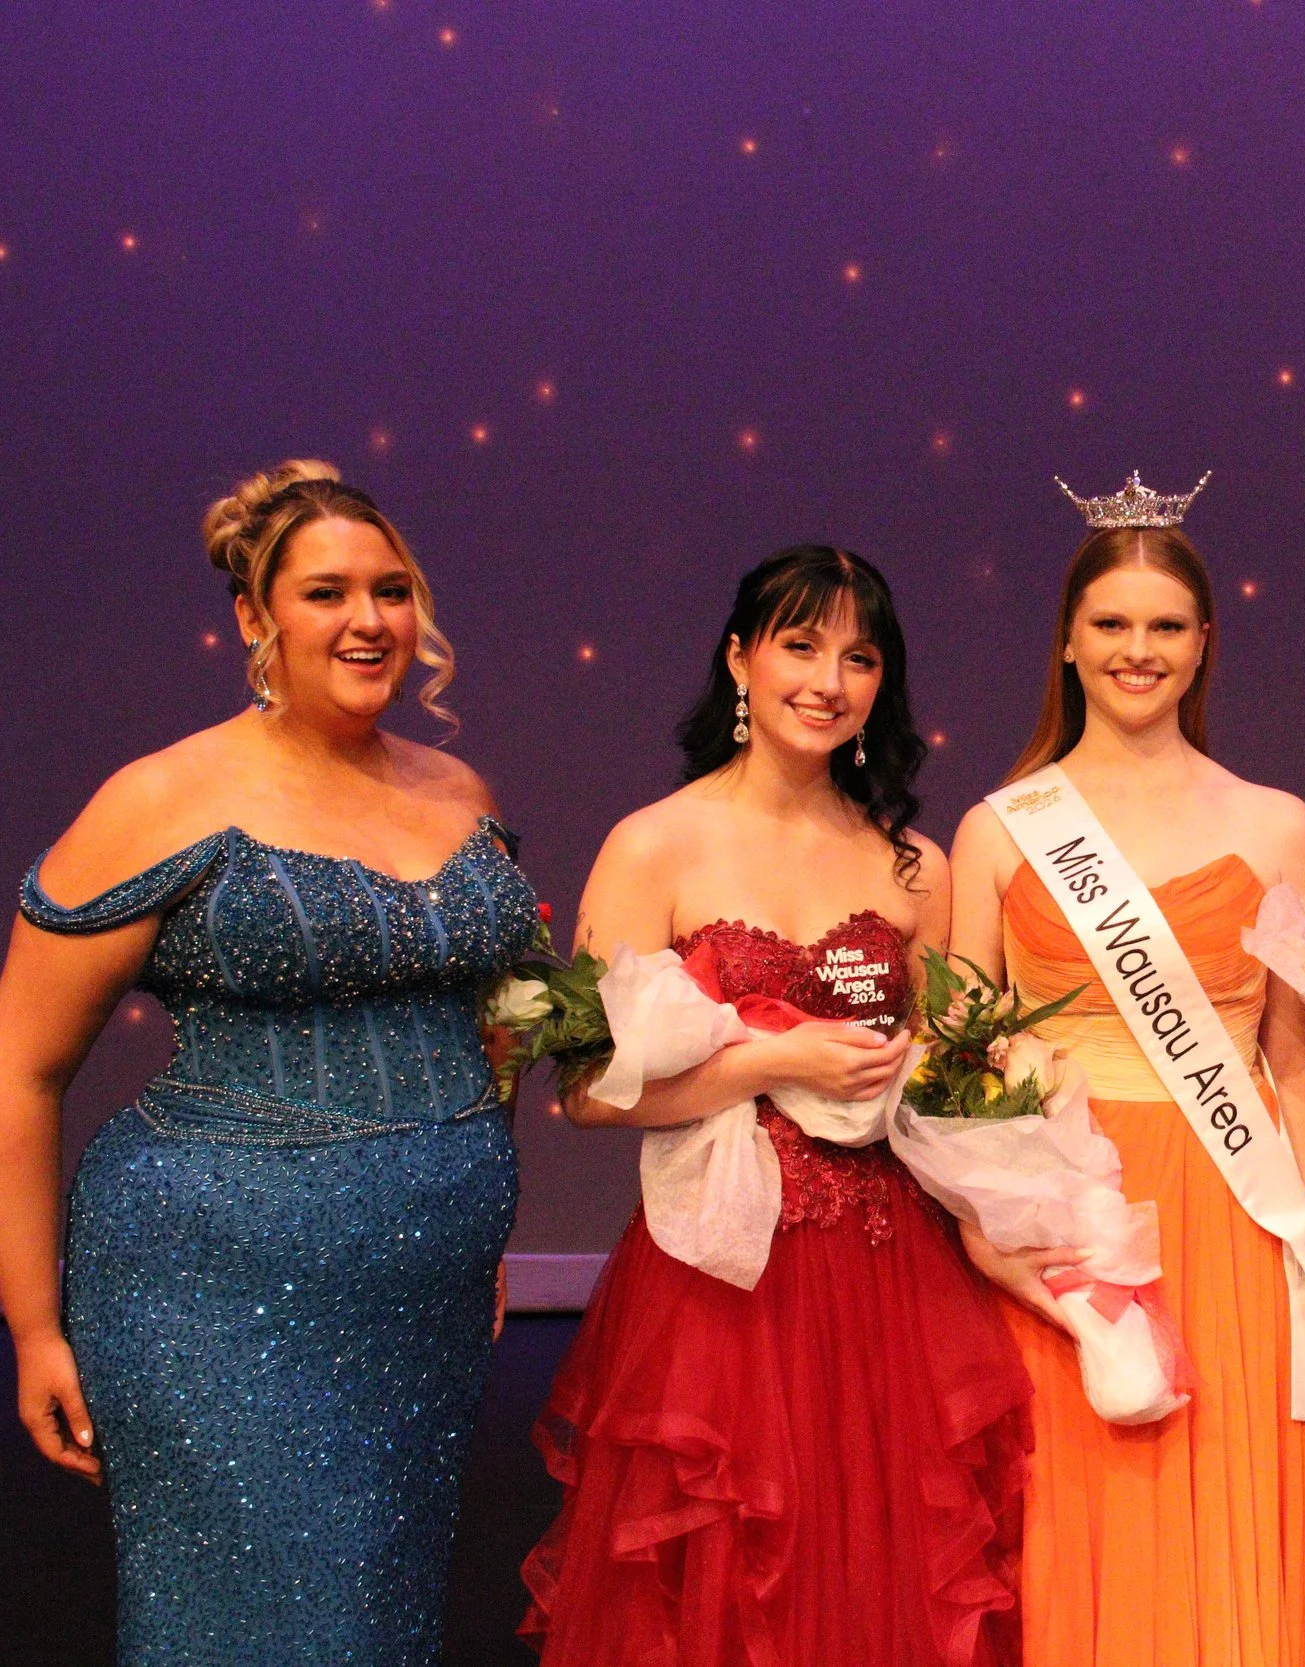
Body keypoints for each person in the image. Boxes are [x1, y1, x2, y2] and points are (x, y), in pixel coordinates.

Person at [0, 461, 536, 1664]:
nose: (368, 621)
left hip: (426, 1296)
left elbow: (492, 1016)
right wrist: (35, 1324)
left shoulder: (459, 791)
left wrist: (478, 1210)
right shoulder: (162, 798)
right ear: (254, 618)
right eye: (326, 592)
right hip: (211, 1291)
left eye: (392, 591)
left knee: (379, 1618)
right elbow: (19, 1066)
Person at [519, 547, 1030, 1666]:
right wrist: (770, 1061)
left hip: (895, 1277)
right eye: (799, 645)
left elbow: (944, 1083)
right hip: (721, 1285)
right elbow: (585, 1095)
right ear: (740, 657)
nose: (827, 678)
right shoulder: (656, 841)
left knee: (883, 1580)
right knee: (732, 1590)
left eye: (858, 656)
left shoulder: (911, 867)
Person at [948, 479, 1305, 1667]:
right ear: (1067, 639)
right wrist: (988, 1231)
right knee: (1070, 1524)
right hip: (1065, 1217)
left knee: (1222, 1526)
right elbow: (957, 1057)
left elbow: (1291, 1059)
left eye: (1165, 626)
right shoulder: (1001, 826)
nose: (1137, 650)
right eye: (1111, 623)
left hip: (1227, 1207)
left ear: (1205, 642)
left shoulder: (1277, 823)